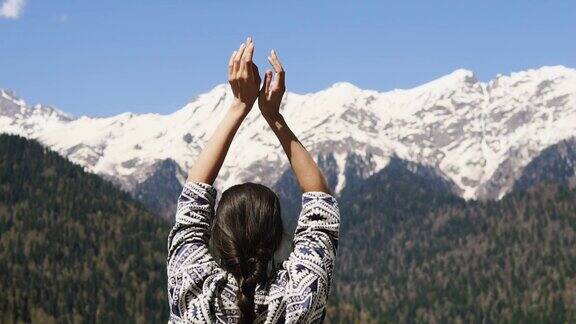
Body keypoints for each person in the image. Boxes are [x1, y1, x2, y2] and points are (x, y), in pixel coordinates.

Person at [166, 37, 340, 324]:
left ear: (218, 236)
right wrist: (274, 117)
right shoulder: (300, 296)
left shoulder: (194, 288)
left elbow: (191, 202)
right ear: (276, 236)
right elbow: (321, 205)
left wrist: (238, 106)